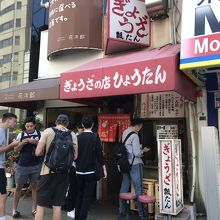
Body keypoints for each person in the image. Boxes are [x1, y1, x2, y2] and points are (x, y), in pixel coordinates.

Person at [34, 114, 78, 220]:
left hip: (47, 172)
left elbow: (38, 152)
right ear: (67, 123)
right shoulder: (72, 134)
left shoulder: (48, 131)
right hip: (63, 174)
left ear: (56, 122)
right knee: (57, 206)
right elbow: (76, 156)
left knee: (40, 205)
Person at [75, 116, 107, 220]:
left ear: (83, 125)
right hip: (90, 171)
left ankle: (77, 217)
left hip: (78, 171)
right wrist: (104, 168)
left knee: (79, 194)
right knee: (87, 197)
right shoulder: (95, 137)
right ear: (92, 124)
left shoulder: (78, 137)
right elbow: (99, 154)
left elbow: (75, 154)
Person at [119, 118, 150, 220]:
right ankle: (141, 213)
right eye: (140, 127)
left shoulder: (125, 132)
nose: (140, 129)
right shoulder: (135, 135)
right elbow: (136, 153)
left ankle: (121, 210)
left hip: (126, 164)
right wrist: (143, 150)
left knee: (124, 186)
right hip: (135, 164)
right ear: (138, 125)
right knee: (139, 187)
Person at [12, 117, 42, 218]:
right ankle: (14, 210)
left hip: (36, 165)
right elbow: (16, 150)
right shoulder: (21, 134)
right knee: (18, 188)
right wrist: (22, 143)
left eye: (31, 126)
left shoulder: (40, 133)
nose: (29, 128)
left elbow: (45, 147)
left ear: (34, 126)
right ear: (25, 126)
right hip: (22, 165)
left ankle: (34, 209)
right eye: (27, 126)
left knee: (35, 187)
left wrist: (36, 142)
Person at [0, 113, 19, 220]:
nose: (15, 124)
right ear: (8, 120)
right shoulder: (1, 131)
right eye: (14, 121)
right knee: (3, 195)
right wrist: (12, 145)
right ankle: (2, 218)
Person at [66, 122, 84, 218]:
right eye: (80, 128)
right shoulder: (74, 137)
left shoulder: (80, 137)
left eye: (83, 128)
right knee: (73, 188)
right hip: (73, 166)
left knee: (78, 188)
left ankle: (76, 208)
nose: (82, 129)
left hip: (80, 166)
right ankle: (70, 209)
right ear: (77, 128)